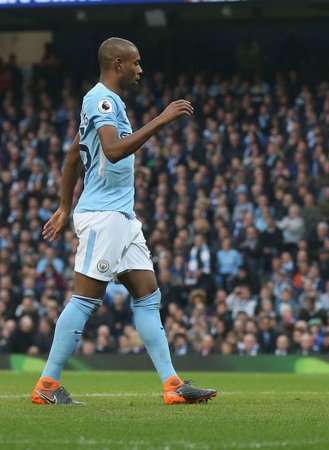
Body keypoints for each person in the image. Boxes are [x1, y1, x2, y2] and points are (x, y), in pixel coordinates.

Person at [32, 37, 217, 405]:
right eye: (135, 63)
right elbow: (114, 152)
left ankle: (172, 386)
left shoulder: (109, 103)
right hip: (104, 217)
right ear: (118, 63)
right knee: (85, 300)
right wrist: (161, 119)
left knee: (148, 295)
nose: (140, 69)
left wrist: (64, 205)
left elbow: (73, 156)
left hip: (123, 217)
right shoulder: (101, 100)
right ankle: (47, 387)